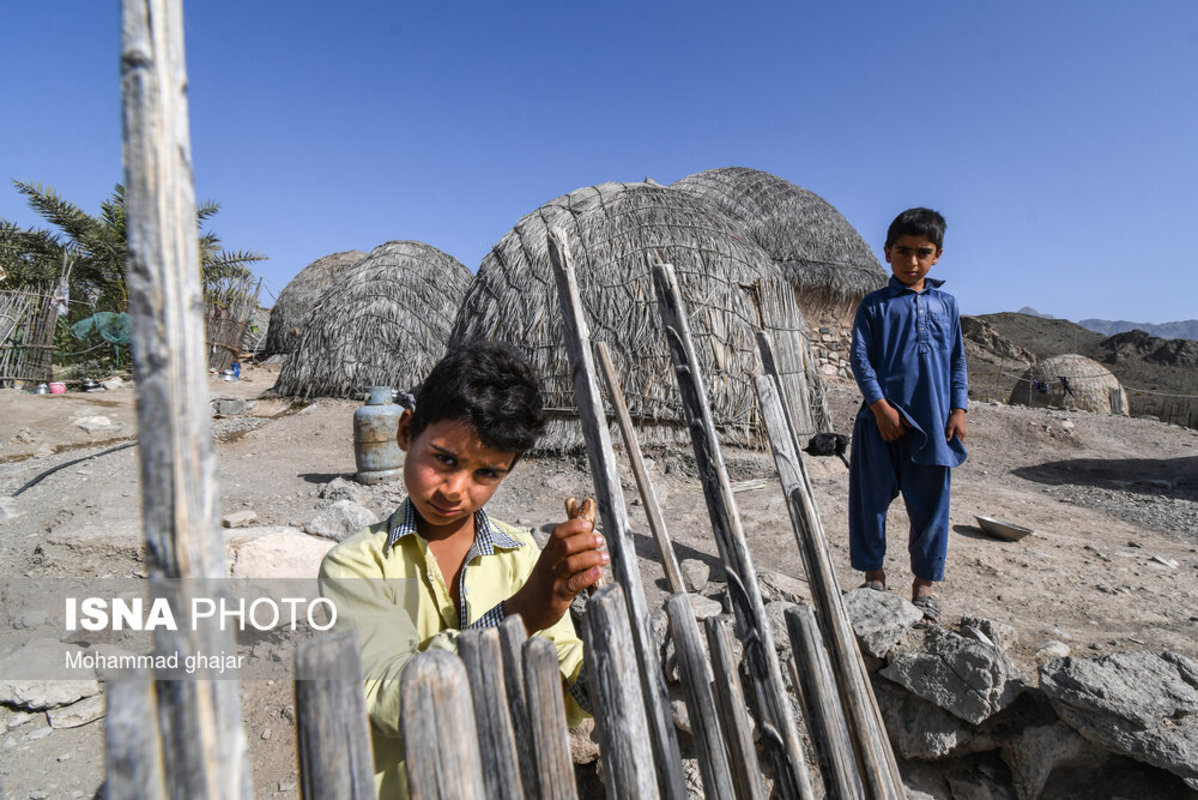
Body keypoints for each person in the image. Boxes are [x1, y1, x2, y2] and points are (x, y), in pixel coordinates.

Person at [319, 340, 607, 798]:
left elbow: (559, 672)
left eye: (486, 474)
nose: (456, 489)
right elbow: (384, 695)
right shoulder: (355, 565)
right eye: (445, 460)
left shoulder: (520, 556)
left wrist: (601, 669)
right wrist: (519, 616)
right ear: (406, 431)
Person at [848, 207, 968, 625]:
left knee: (932, 506)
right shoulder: (874, 305)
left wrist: (959, 408)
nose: (911, 261)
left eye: (923, 252)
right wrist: (880, 407)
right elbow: (860, 360)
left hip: (934, 424)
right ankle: (874, 578)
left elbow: (956, 361)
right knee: (870, 502)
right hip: (879, 424)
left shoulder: (947, 305)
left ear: (937, 256)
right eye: (903, 251)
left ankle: (924, 587)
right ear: (886, 252)